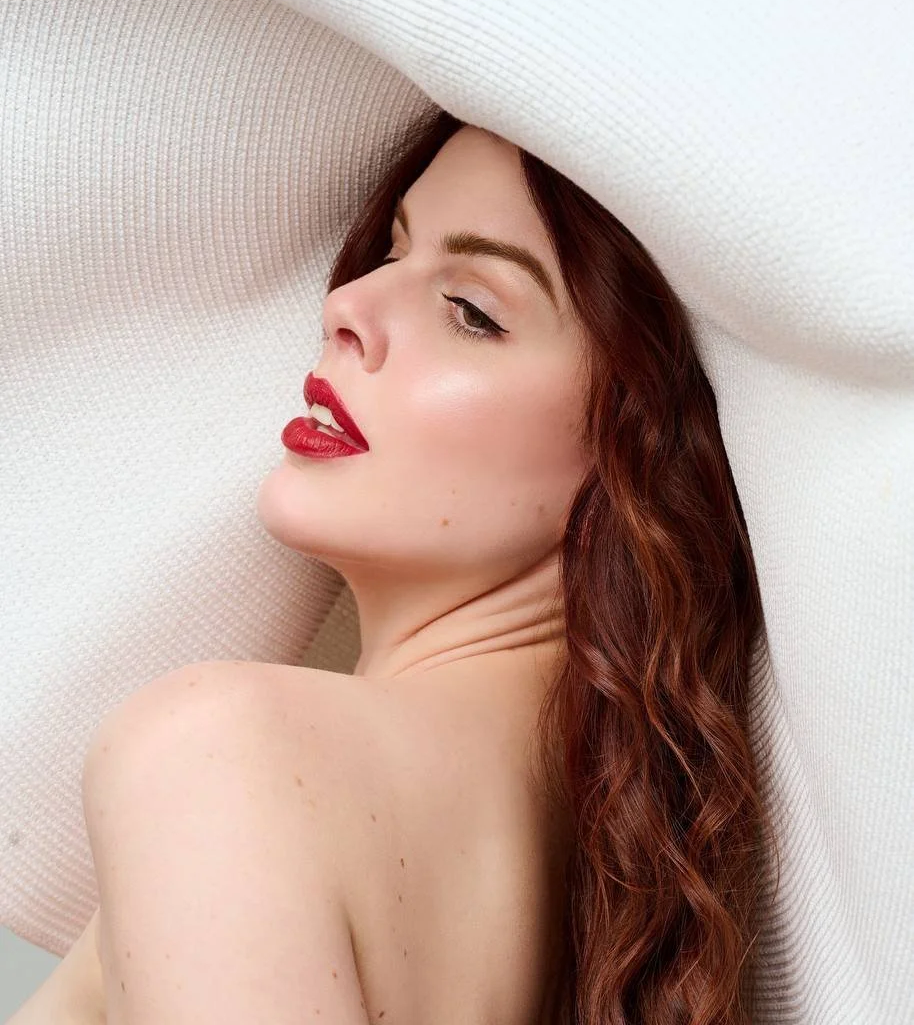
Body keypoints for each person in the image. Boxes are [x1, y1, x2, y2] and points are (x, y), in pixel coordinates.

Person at [24, 114, 776, 1025]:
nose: (350, 305)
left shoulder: (222, 753)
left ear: (644, 460)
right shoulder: (613, 908)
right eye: (390, 249)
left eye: (472, 310)